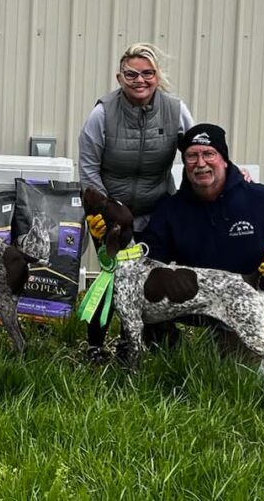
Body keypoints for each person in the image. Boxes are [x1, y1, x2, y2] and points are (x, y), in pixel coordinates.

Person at [141, 123, 264, 360]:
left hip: (251, 297)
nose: (200, 163)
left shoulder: (262, 199)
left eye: (209, 154)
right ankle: (180, 361)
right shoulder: (171, 210)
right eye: (192, 156)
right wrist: (115, 237)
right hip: (195, 300)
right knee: (149, 318)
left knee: (242, 374)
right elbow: (151, 259)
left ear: (224, 159)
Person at [78, 43, 193, 357]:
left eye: (147, 73)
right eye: (131, 74)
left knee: (153, 281)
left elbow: (197, 152)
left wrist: (231, 175)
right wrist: (100, 212)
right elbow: (88, 165)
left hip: (157, 211)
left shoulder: (175, 110)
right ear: (119, 77)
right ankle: (95, 347)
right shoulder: (101, 113)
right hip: (113, 215)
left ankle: (141, 345)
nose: (139, 80)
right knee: (110, 280)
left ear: (157, 76)